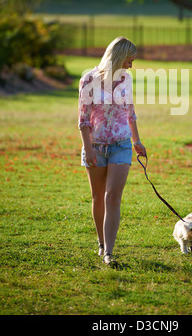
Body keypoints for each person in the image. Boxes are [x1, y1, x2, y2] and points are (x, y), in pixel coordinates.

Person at [78, 36, 146, 266]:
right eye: (129, 60)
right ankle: (100, 242)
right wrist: (89, 150)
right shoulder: (88, 79)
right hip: (95, 146)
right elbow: (83, 120)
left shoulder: (126, 79)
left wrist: (136, 141)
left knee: (112, 197)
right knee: (98, 198)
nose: (131, 65)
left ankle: (109, 252)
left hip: (121, 144)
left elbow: (130, 111)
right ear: (118, 57)